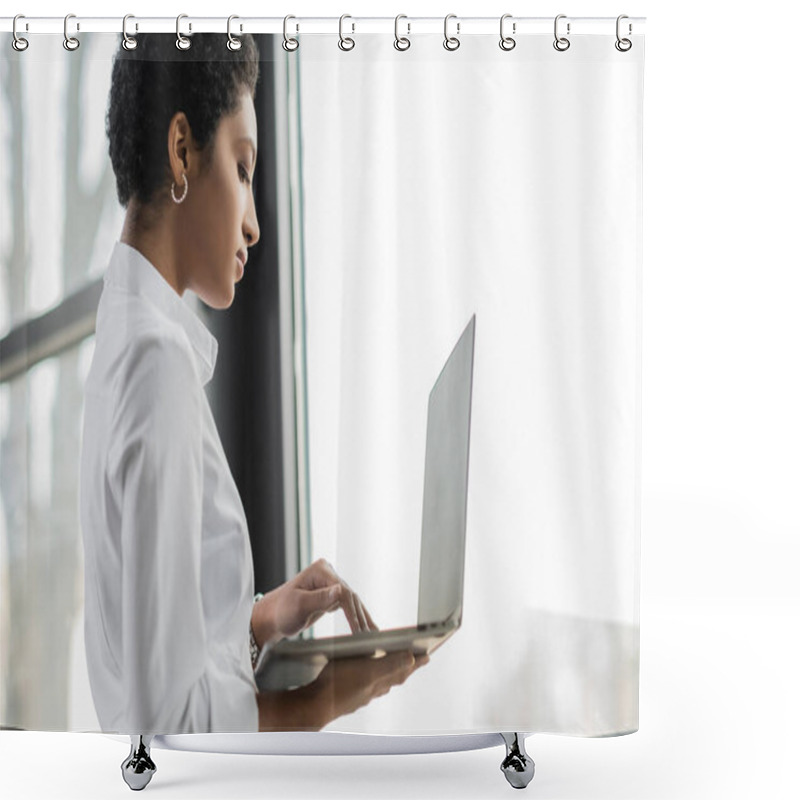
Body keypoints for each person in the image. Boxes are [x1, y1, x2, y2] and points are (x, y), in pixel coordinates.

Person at [79, 32, 425, 736]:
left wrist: (262, 619)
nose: (257, 223)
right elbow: (167, 727)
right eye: (242, 168)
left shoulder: (129, 339)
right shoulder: (154, 365)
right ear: (182, 152)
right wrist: (326, 700)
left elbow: (154, 656)